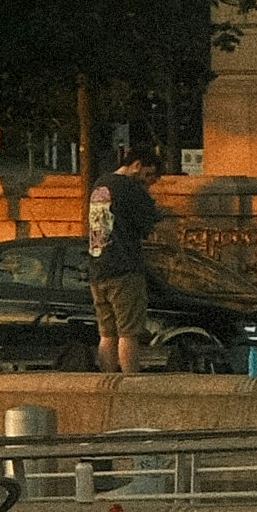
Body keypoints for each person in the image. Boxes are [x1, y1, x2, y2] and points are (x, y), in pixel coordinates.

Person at [84, 147, 161, 377]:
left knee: (107, 334)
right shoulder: (130, 188)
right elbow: (153, 224)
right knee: (129, 333)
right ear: (137, 165)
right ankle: (130, 384)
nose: (148, 183)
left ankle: (108, 382)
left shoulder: (99, 184)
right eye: (148, 175)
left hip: (98, 267)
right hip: (124, 269)